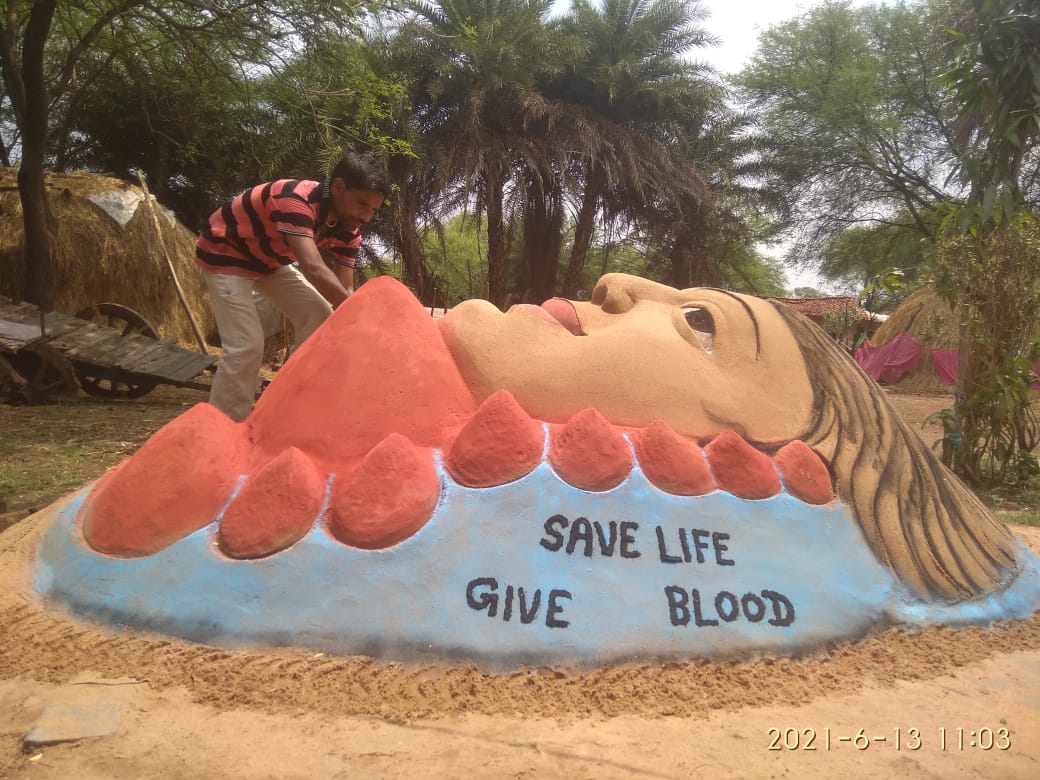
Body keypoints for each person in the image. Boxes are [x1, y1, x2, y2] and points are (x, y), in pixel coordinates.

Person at [196, 151, 391, 421]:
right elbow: (312, 268)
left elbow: (343, 293)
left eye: (373, 210)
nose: (366, 216)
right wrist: (365, 318)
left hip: (269, 263)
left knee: (320, 314)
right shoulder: (295, 200)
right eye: (361, 204)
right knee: (246, 346)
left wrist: (360, 328)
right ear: (338, 187)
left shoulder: (349, 229)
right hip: (225, 252)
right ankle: (224, 425)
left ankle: (292, 403)